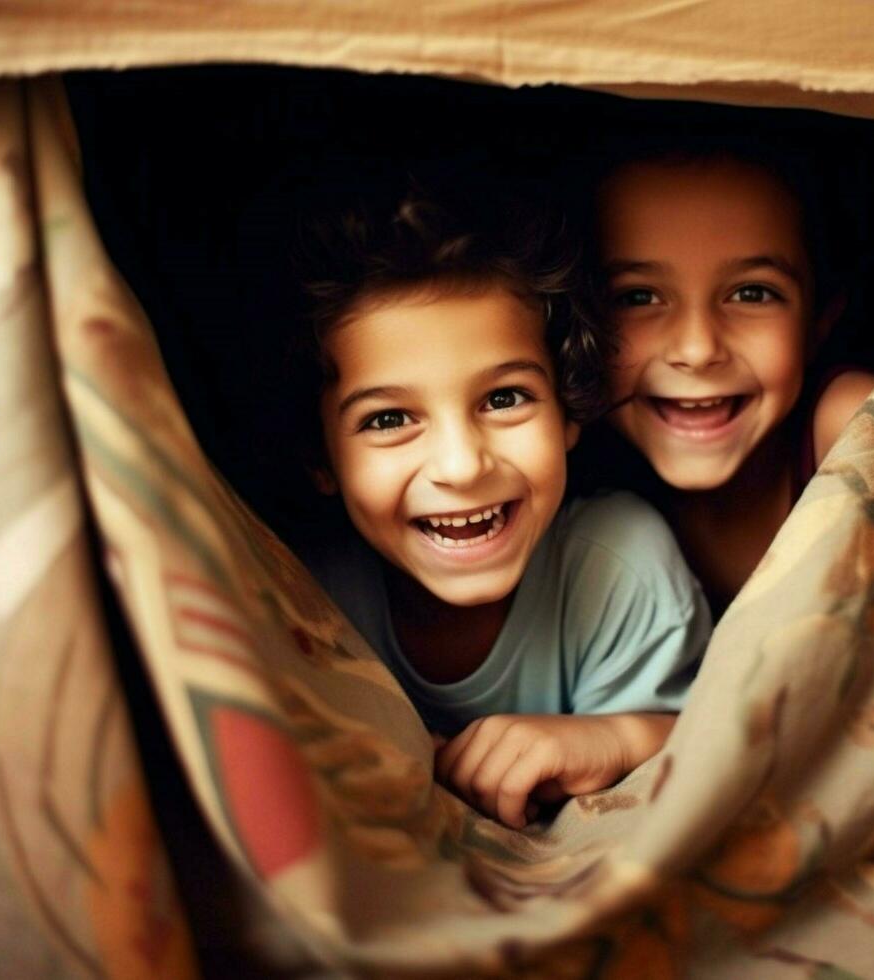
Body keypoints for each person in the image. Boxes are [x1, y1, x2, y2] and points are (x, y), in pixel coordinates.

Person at [287, 180, 711, 829]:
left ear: (569, 410)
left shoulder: (618, 562)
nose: (462, 466)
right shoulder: (304, 596)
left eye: (504, 399)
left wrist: (617, 739)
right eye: (390, 417)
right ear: (320, 458)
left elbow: (720, 750)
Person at [591, 144, 874, 614]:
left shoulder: (850, 429)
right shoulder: (564, 472)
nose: (698, 349)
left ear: (819, 321)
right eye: (638, 297)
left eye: (752, 292)